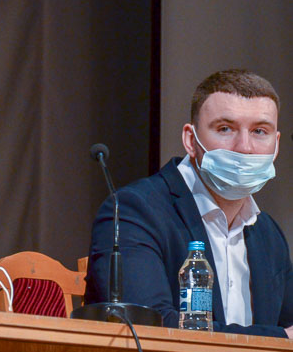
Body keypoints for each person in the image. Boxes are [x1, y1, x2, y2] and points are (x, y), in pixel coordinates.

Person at [85, 69, 292, 338]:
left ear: (276, 145)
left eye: (259, 131)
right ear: (190, 140)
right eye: (225, 128)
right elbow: (148, 326)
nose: (244, 147)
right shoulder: (133, 211)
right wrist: (282, 340)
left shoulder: (269, 234)